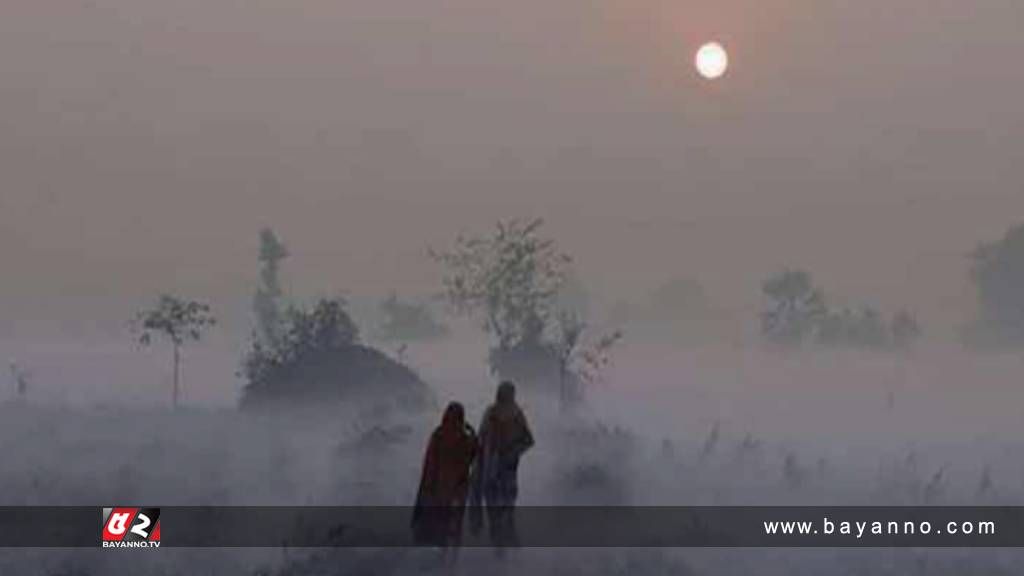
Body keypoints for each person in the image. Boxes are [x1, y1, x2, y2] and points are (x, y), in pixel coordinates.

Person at [469, 381, 534, 552]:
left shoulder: (516, 414)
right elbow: (482, 439)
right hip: (492, 467)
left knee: (506, 506)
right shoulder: (492, 413)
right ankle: (498, 542)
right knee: (495, 505)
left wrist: (512, 452)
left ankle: (504, 540)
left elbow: (528, 440)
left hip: (506, 470)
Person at [411, 402, 478, 553]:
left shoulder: (438, 434)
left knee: (442, 521)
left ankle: (443, 552)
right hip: (458, 489)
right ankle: (452, 556)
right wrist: (471, 431)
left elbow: (430, 461)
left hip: (440, 489)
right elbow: (474, 455)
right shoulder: (464, 439)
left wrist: (427, 485)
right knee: (455, 523)